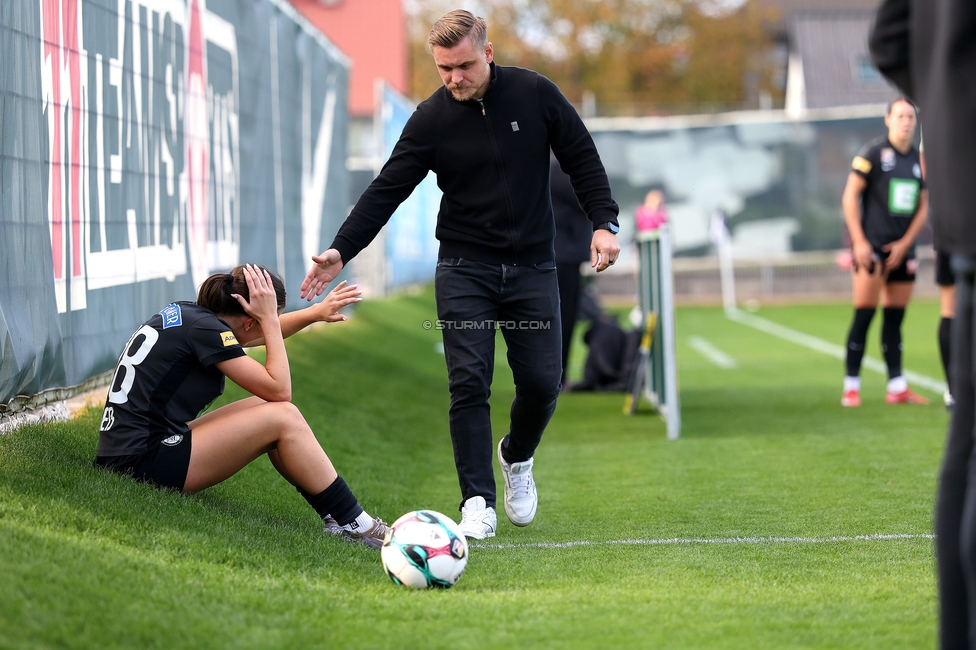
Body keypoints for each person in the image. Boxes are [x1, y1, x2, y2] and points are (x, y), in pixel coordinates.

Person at [300, 10, 620, 539]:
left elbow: (582, 157)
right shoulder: (431, 119)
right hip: (464, 267)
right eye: (444, 69)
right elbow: (387, 189)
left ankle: (516, 457)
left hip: (533, 266)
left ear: (487, 53)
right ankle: (477, 501)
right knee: (468, 382)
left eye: (465, 65)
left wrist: (603, 223)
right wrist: (342, 248)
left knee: (543, 383)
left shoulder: (534, 94)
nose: (455, 78)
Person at [94, 264, 391, 548]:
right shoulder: (209, 331)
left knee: (262, 406)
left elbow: (251, 335)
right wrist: (271, 321)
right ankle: (357, 524)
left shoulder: (196, 316)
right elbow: (280, 390)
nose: (267, 328)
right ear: (251, 320)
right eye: (263, 321)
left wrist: (313, 313)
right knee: (282, 415)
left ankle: (335, 517)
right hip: (141, 462)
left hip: (131, 450)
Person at [870, 2, 976, 647]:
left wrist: (948, 100)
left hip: (961, 223)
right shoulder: (873, 156)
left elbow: (888, 38)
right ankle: (866, 376)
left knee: (965, 449)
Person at [839, 97, 929, 408]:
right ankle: (851, 386)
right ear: (888, 119)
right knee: (864, 313)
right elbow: (850, 197)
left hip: (903, 251)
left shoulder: (919, 161)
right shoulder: (873, 153)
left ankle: (897, 386)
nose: (906, 121)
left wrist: (906, 243)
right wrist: (859, 241)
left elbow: (923, 206)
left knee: (895, 318)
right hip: (872, 249)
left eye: (910, 116)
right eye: (900, 115)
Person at [551, 152, 594, 391]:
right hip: (562, 255)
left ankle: (558, 376)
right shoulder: (558, 168)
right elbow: (588, 198)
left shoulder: (556, 165)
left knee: (563, 318)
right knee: (562, 318)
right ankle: (557, 378)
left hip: (563, 254)